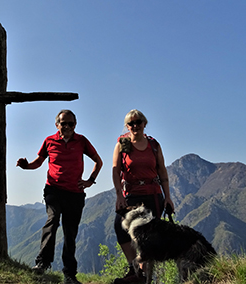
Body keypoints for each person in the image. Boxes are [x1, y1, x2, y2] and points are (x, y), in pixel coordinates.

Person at [16, 109, 103, 284]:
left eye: (71, 123)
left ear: (75, 125)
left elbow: (98, 161)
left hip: (75, 194)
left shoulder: (82, 141)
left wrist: (90, 181)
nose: (68, 126)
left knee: (70, 233)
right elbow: (38, 162)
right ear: (57, 125)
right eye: (64, 123)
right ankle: (42, 263)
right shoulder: (49, 141)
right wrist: (26, 166)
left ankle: (69, 274)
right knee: (52, 220)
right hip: (53, 190)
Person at [112, 109, 174, 284]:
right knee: (120, 227)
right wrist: (119, 196)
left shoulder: (154, 145)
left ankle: (143, 275)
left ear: (144, 123)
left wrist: (168, 197)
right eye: (131, 123)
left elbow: (162, 171)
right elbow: (116, 171)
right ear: (127, 126)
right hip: (130, 195)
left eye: (138, 122)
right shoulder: (122, 145)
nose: (135, 126)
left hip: (153, 195)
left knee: (148, 236)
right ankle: (134, 268)